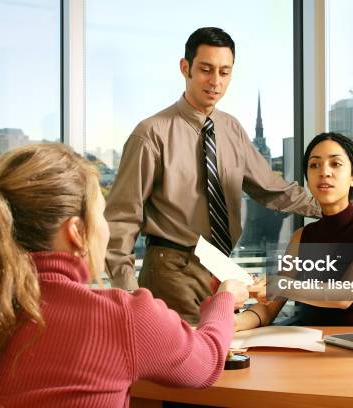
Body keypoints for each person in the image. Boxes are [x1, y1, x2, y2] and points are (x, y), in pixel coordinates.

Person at [0, 143, 249, 407]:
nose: (108, 228)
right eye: (101, 213)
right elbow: (207, 363)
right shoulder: (121, 318)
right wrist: (224, 300)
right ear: (76, 231)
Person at [105, 27, 321, 324]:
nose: (216, 82)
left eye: (224, 72)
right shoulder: (151, 134)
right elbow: (120, 222)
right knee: (186, 363)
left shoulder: (231, 129)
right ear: (186, 68)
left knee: (222, 356)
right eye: (206, 70)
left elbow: (271, 189)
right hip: (170, 270)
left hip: (219, 268)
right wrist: (130, 298)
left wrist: (331, 207)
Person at [234, 132, 353, 331]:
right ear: (308, 180)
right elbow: (269, 309)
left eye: (335, 164)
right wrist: (227, 325)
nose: (324, 172)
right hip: (312, 344)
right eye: (314, 165)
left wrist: (281, 285)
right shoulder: (301, 237)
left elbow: (345, 295)